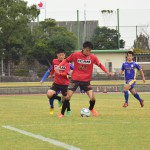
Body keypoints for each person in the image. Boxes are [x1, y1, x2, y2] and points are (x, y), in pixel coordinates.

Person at [55, 41, 113, 118]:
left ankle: (91, 109)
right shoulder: (76, 55)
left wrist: (107, 72)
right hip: (75, 80)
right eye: (87, 50)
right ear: (83, 48)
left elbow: (100, 65)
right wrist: (59, 66)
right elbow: (66, 60)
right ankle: (62, 113)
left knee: (92, 98)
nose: (88, 52)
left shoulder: (93, 57)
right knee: (68, 97)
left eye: (90, 51)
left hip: (86, 81)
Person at [44, 48, 72, 115]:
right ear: (57, 55)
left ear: (64, 55)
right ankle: (58, 98)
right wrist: (51, 74)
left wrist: (59, 73)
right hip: (56, 83)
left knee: (66, 99)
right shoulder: (54, 61)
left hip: (65, 84)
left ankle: (68, 110)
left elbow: (66, 74)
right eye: (60, 55)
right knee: (49, 94)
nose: (61, 56)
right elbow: (53, 68)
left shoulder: (67, 63)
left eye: (62, 55)